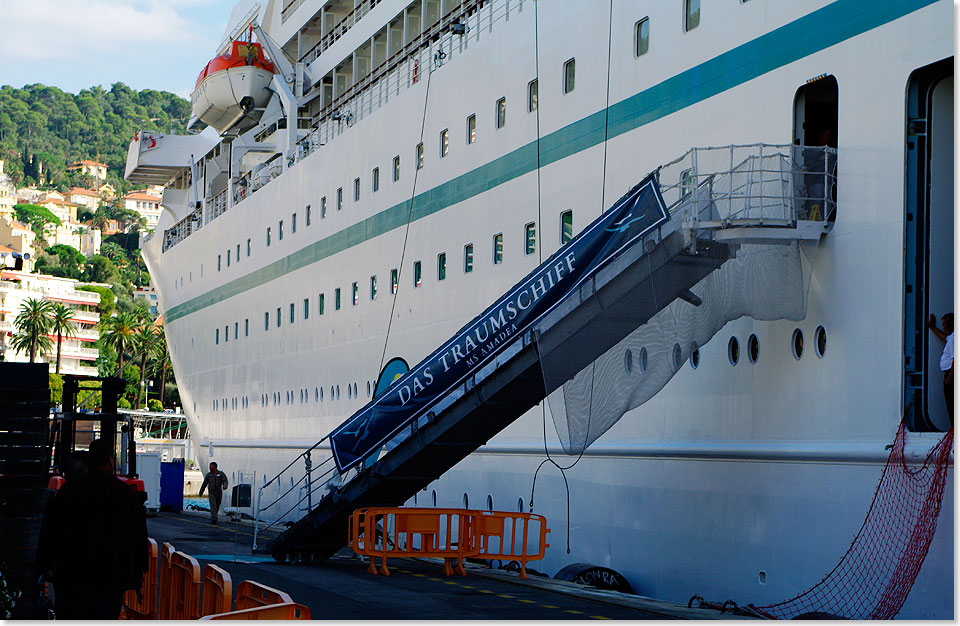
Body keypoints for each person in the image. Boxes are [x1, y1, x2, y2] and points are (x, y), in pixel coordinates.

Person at [35, 439, 148, 620]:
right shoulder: (125, 494)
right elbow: (138, 534)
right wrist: (139, 571)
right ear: (111, 461)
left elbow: (51, 528)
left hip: (72, 574)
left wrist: (44, 564)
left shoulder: (70, 490)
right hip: (112, 576)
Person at [927, 312, 954, 425]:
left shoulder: (954, 337)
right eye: (943, 324)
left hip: (951, 375)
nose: (944, 327)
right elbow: (944, 337)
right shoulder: (952, 337)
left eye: (947, 323)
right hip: (949, 374)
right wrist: (932, 327)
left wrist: (950, 377)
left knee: (951, 403)